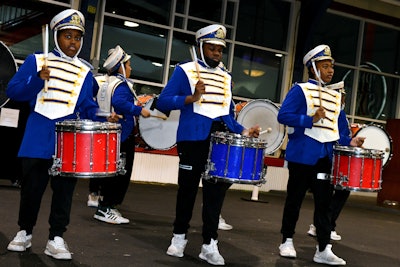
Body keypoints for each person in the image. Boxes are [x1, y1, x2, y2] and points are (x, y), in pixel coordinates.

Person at [6, 9, 119, 260]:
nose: (73, 43)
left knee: (64, 192)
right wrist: (37, 79)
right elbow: (13, 91)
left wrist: (103, 115)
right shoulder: (37, 61)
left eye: (77, 38)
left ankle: (56, 237)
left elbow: (87, 105)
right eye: (68, 36)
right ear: (56, 36)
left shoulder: (85, 72)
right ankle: (24, 232)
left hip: (67, 141)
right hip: (37, 136)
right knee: (32, 190)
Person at [157, 24, 260, 266]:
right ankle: (179, 237)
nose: (216, 53)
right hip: (193, 139)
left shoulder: (227, 77)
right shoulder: (185, 71)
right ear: (201, 47)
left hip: (220, 140)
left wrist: (243, 130)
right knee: (188, 190)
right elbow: (163, 102)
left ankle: (209, 244)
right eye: (212, 48)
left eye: (219, 49)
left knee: (215, 195)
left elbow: (226, 114)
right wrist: (190, 98)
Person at [277, 44, 365, 266]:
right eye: (325, 66)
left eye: (331, 67)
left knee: (324, 205)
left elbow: (335, 132)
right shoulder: (300, 90)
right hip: (301, 156)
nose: (330, 71)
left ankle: (324, 248)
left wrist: (351, 141)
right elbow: (283, 115)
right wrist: (309, 119)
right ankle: (286, 240)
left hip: (325, 158)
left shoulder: (335, 97)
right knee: (294, 201)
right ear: (313, 68)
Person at [92, 45, 150, 224]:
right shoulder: (122, 85)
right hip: (122, 135)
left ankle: (105, 206)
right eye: (129, 65)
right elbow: (119, 103)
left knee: (111, 172)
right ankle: (106, 208)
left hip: (109, 135)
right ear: (121, 67)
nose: (131, 68)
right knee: (120, 173)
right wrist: (139, 110)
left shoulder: (106, 83)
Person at [308, 89, 351, 241]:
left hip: (334, 159)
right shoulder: (336, 113)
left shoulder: (341, 114)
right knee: (330, 193)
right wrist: (349, 141)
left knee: (337, 192)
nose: (342, 100)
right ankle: (325, 226)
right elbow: (337, 136)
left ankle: (323, 225)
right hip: (329, 158)